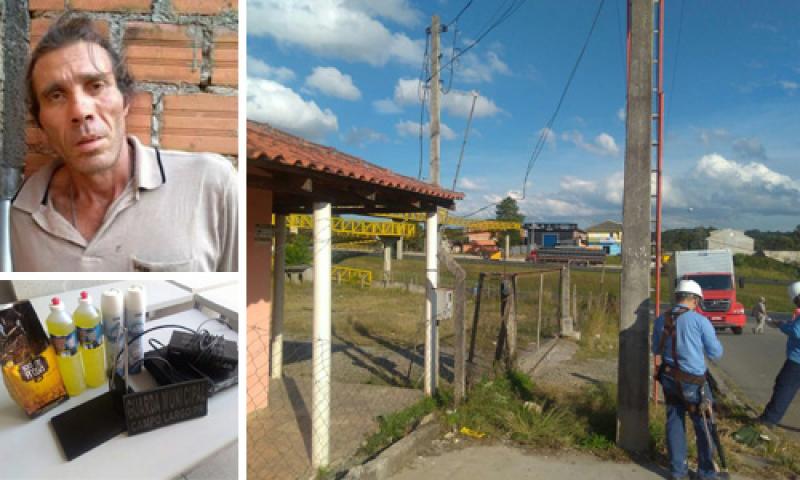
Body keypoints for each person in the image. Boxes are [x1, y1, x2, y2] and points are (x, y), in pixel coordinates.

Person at [11, 14, 237, 272]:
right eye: (56, 95)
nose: (80, 110)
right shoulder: (20, 213)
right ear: (41, 122)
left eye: (96, 85)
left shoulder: (210, 184)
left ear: (125, 101)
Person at [653, 279, 724, 480]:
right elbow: (716, 353)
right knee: (704, 424)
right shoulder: (700, 321)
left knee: (675, 420)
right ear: (695, 300)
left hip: (668, 377)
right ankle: (706, 473)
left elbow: (655, 348)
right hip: (693, 381)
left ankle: (678, 471)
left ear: (677, 297)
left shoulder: (661, 319)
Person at [757, 281, 800, 428]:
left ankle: (768, 420)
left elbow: (797, 331)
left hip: (797, 361)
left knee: (784, 387)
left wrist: (781, 325)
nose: (796, 304)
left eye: (796, 301)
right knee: (783, 386)